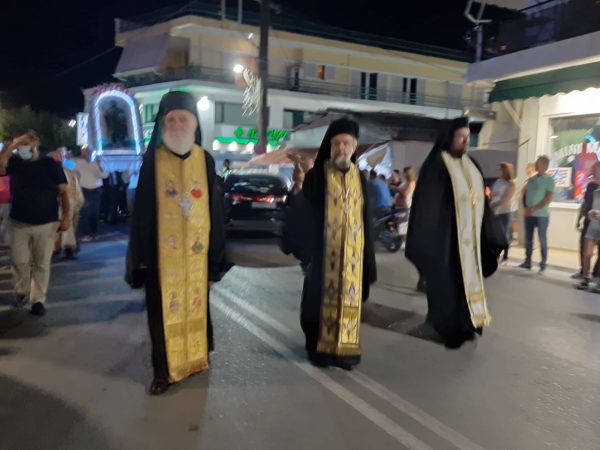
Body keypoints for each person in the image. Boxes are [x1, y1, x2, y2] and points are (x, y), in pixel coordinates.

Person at [126, 91, 228, 395]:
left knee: (197, 306)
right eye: (171, 120)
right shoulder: (153, 161)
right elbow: (142, 212)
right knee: (160, 315)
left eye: (183, 119)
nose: (177, 125)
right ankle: (163, 372)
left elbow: (215, 210)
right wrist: (141, 257)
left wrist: (216, 257)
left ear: (195, 124)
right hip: (161, 257)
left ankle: (196, 358)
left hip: (196, 256)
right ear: (163, 124)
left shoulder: (205, 160)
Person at [285, 118, 377, 370]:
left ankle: (345, 352)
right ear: (329, 146)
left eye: (346, 143)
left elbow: (367, 222)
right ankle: (320, 351)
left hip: (352, 261)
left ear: (354, 147)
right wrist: (298, 188)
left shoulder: (360, 179)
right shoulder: (317, 176)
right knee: (317, 309)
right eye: (336, 143)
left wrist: (368, 261)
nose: (341, 148)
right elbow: (303, 216)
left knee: (348, 306)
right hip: (322, 259)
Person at [406, 117, 505, 348]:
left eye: (468, 137)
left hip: (470, 243)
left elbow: (482, 202)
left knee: (464, 287)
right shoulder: (437, 165)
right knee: (446, 288)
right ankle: (444, 327)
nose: (465, 141)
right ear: (448, 138)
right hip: (445, 243)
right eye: (461, 137)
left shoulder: (471, 164)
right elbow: (427, 207)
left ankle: (468, 324)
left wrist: (491, 233)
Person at [0, 130, 70, 316]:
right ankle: (22, 290)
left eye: (26, 144)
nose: (23, 148)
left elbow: (63, 192)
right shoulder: (16, 163)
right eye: (21, 145)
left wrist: (66, 217)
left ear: (36, 145)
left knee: (41, 263)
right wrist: (12, 144)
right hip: (19, 223)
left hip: (46, 223)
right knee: (19, 261)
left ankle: (38, 299)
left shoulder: (50, 165)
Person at [520, 156, 555, 273]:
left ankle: (543, 263)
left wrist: (535, 208)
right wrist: (525, 208)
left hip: (541, 215)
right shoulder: (531, 179)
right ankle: (527, 261)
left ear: (545, 166)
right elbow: (524, 194)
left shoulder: (549, 180)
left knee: (542, 239)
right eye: (536, 163)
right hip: (529, 214)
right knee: (528, 239)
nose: (536, 165)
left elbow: (548, 198)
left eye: (538, 163)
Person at [50, 149, 84, 259]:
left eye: (61, 157)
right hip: (53, 205)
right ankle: (55, 248)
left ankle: (69, 249)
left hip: (69, 204)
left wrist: (78, 201)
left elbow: (76, 188)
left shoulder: (70, 173)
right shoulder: (47, 172)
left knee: (69, 228)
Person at [576, 161, 600, 290]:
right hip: (590, 222)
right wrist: (580, 217)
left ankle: (597, 279)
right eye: (594, 169)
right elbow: (585, 203)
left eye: (597, 169)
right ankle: (585, 277)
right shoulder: (591, 186)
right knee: (587, 252)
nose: (595, 172)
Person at [75, 148, 108, 242]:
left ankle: (94, 232)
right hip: (85, 190)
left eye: (88, 152)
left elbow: (105, 175)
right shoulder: (78, 163)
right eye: (85, 152)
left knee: (95, 212)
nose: (87, 154)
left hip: (96, 190)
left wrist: (99, 165)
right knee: (86, 212)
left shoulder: (96, 164)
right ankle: (87, 233)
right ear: (82, 153)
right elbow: (74, 173)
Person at [490, 162, 517, 263]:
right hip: (495, 211)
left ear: (506, 171)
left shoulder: (511, 184)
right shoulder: (498, 182)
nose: (499, 171)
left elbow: (507, 198)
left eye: (500, 169)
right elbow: (492, 194)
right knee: (496, 234)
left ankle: (505, 255)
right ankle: (496, 254)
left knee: (504, 234)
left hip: (504, 212)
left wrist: (495, 204)